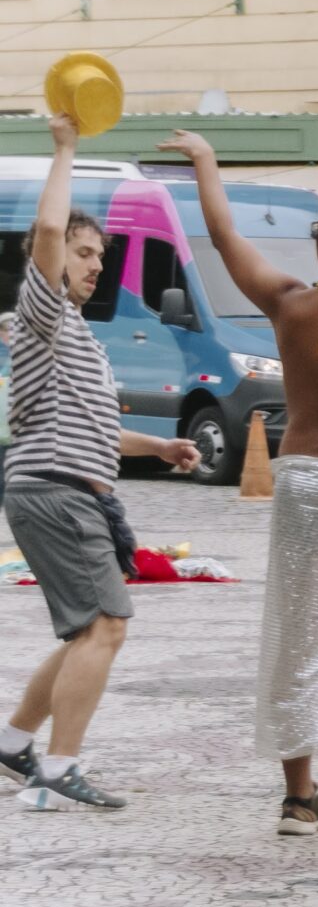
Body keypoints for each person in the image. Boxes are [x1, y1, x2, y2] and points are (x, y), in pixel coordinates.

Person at [161, 134, 318, 846]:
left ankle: (298, 801)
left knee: (298, 633)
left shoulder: (288, 303)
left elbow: (220, 231)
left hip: (301, 479)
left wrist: (206, 159)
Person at [0, 114, 201, 811]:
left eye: (99, 256)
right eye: (85, 253)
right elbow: (49, 233)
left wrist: (161, 447)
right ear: (51, 260)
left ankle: (18, 739)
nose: (94, 265)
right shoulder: (43, 310)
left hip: (64, 487)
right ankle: (57, 767)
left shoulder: (78, 336)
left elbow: (98, 434)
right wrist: (65, 149)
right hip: (56, 493)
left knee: (85, 627)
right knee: (104, 626)